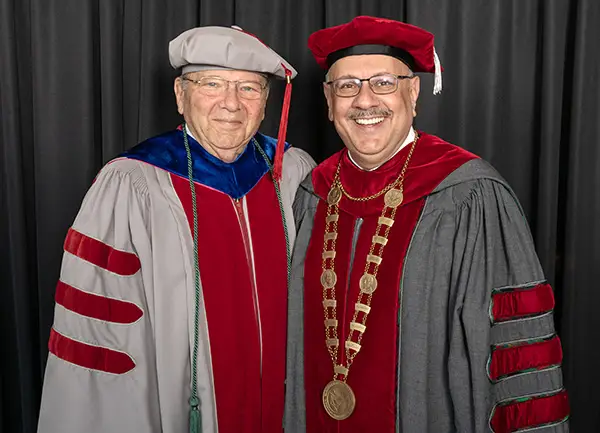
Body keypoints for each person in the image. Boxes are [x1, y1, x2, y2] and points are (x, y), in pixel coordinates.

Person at [284, 16, 569, 433]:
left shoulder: (470, 195)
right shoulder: (312, 194)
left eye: (383, 82)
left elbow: (517, 348)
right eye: (347, 86)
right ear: (329, 101)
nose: (364, 101)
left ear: (413, 92)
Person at [37, 25, 315, 433]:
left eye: (249, 88)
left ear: (267, 99)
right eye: (212, 84)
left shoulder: (292, 171)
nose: (231, 104)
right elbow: (100, 337)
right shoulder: (132, 185)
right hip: (182, 408)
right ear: (180, 96)